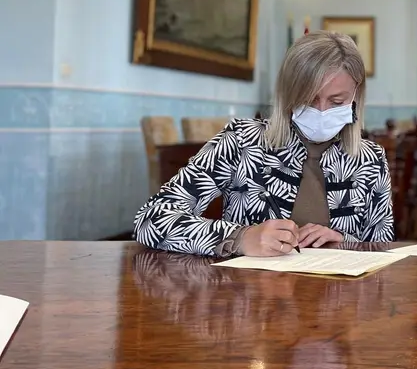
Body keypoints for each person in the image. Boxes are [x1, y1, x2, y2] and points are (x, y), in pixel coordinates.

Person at [134, 31, 394, 257]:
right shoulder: (242, 141)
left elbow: (383, 251)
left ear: (356, 97)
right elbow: (151, 219)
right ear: (289, 94)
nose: (322, 111)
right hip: (252, 294)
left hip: (338, 297)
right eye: (309, 99)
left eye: (337, 102)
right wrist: (240, 238)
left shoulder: (371, 159)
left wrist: (345, 242)